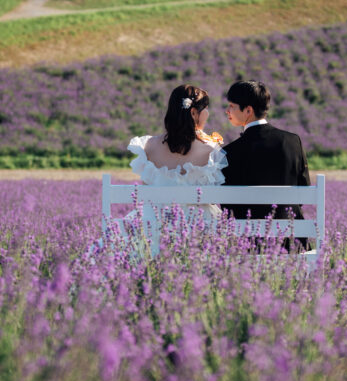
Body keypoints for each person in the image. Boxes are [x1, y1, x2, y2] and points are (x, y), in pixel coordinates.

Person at [221, 80, 311, 252]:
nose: (227, 111)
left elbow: (227, 207)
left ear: (248, 110)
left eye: (232, 106)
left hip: (248, 244)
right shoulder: (292, 141)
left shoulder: (229, 152)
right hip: (291, 240)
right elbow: (303, 191)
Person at [126, 84, 226, 225]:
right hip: (198, 223)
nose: (208, 113)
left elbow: (147, 190)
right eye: (206, 109)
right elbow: (212, 197)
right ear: (193, 113)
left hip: (155, 221)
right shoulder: (210, 150)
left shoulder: (149, 146)